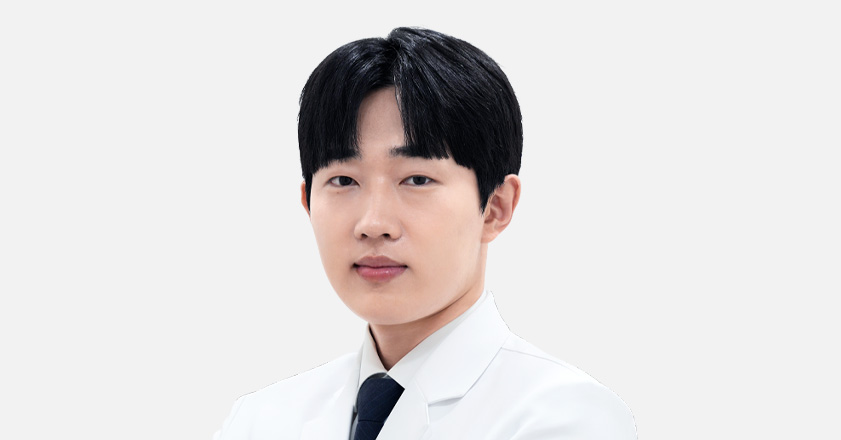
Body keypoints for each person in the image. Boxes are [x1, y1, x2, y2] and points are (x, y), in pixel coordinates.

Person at [214, 27, 636, 440]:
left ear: (495, 206)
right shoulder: (258, 421)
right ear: (308, 202)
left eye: (416, 179)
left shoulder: (568, 419)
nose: (373, 224)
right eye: (343, 180)